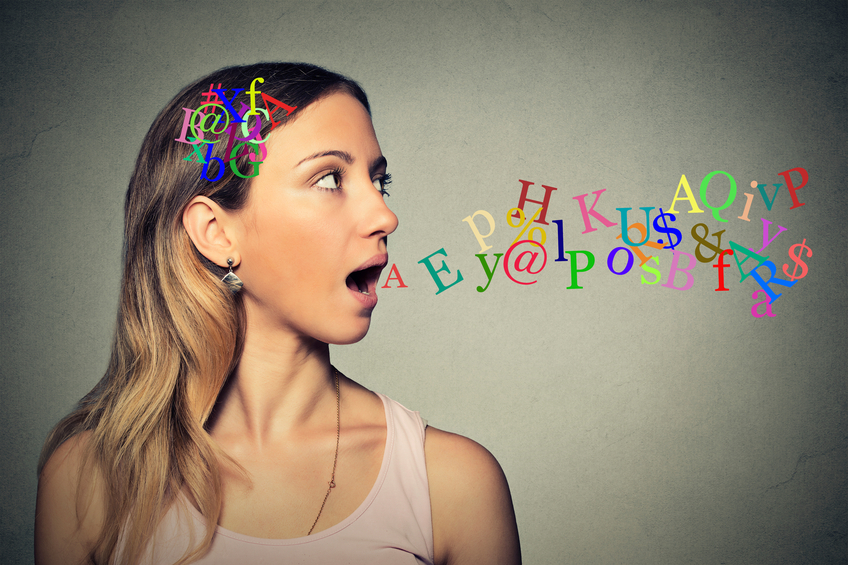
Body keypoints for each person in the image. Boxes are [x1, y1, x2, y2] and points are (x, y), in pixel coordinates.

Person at [34, 62, 521, 565]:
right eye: (330, 178)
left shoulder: (452, 484)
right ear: (217, 233)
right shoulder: (88, 482)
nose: (384, 215)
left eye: (380, 182)